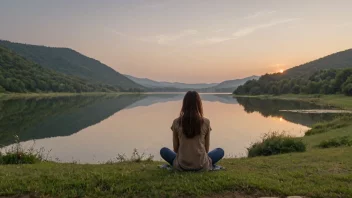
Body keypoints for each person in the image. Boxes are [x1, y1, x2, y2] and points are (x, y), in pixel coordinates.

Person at [160, 91, 224, 171]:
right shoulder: (206, 122)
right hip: (201, 165)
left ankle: (179, 163)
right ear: (199, 104)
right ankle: (205, 164)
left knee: (164, 151)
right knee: (220, 151)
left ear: (184, 104)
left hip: (181, 165)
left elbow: (176, 149)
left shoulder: (176, 122)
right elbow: (206, 149)